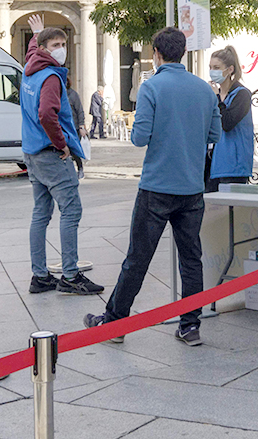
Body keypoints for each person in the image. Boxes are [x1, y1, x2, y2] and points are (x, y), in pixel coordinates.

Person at [84, 27, 220, 345]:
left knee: (138, 258)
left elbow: (139, 137)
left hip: (157, 186)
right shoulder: (204, 89)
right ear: (182, 52)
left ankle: (115, 323)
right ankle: (190, 325)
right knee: (191, 259)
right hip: (192, 187)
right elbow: (214, 134)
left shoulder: (151, 87)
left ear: (157, 54)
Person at [22, 14, 103, 296]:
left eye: (63, 44)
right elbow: (47, 113)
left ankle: (40, 275)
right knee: (71, 211)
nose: (61, 49)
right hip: (50, 153)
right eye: (55, 45)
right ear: (45, 49)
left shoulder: (30, 69)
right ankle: (70, 275)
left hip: (32, 151)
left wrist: (37, 35)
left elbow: (32, 51)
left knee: (41, 213)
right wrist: (62, 144)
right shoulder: (51, 77)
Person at [206, 46, 254, 193]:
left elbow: (227, 123)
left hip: (234, 166)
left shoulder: (242, 95)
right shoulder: (215, 95)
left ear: (230, 70)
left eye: (216, 68)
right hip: (213, 164)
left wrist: (216, 99)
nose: (212, 71)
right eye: (210, 67)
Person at [65, 77, 86, 179]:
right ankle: (67, 171)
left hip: (74, 127)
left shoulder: (73, 95)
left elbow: (80, 111)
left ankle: (80, 168)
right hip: (63, 127)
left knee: (74, 150)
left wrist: (81, 126)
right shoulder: (57, 94)